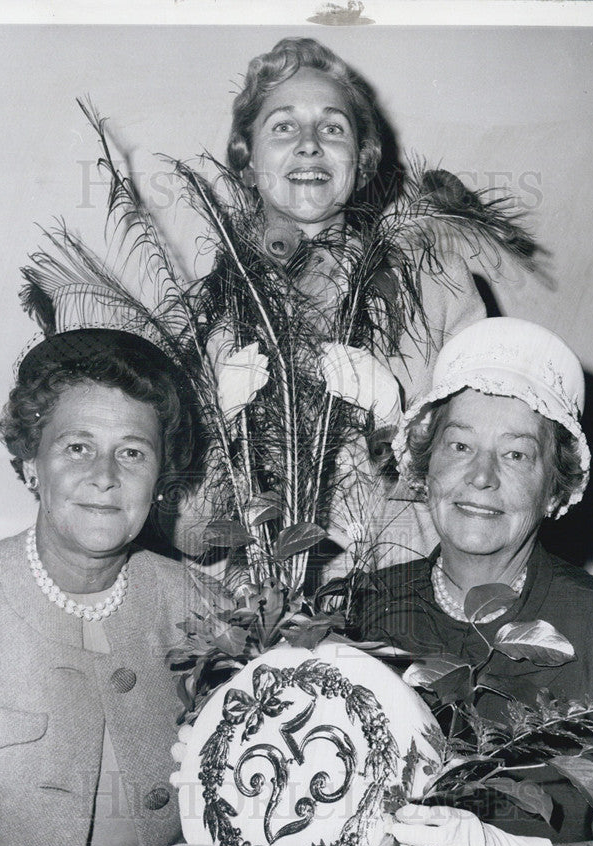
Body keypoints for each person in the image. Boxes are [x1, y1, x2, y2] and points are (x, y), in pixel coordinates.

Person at [288, 316, 593, 846]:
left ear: (556, 486)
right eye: (458, 446)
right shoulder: (354, 611)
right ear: (424, 464)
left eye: (516, 454)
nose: (481, 476)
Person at [133, 36, 491, 567]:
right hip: (255, 622)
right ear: (248, 160)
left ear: (362, 161)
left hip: (404, 603)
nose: (309, 144)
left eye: (332, 127)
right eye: (283, 126)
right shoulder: (205, 316)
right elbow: (186, 534)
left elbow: (489, 485)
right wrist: (216, 436)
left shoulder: (441, 289)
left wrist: (397, 431)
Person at [0, 327, 228, 846]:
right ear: (30, 464)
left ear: (159, 480)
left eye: (131, 453)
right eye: (77, 447)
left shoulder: (208, 608)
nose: (104, 476)